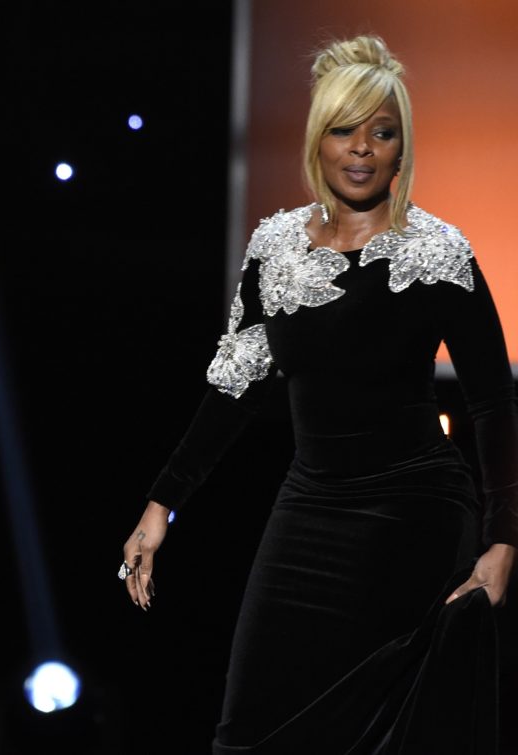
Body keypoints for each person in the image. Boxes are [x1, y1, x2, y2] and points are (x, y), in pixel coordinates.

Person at [120, 35, 516, 754]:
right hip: (311, 509)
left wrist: (502, 540)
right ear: (317, 141)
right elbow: (233, 386)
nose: (361, 148)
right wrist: (161, 502)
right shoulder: (274, 247)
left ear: (402, 150)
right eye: (343, 129)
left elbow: (493, 402)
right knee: (249, 731)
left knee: (393, 731)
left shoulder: (439, 252)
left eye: (381, 132)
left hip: (416, 517)